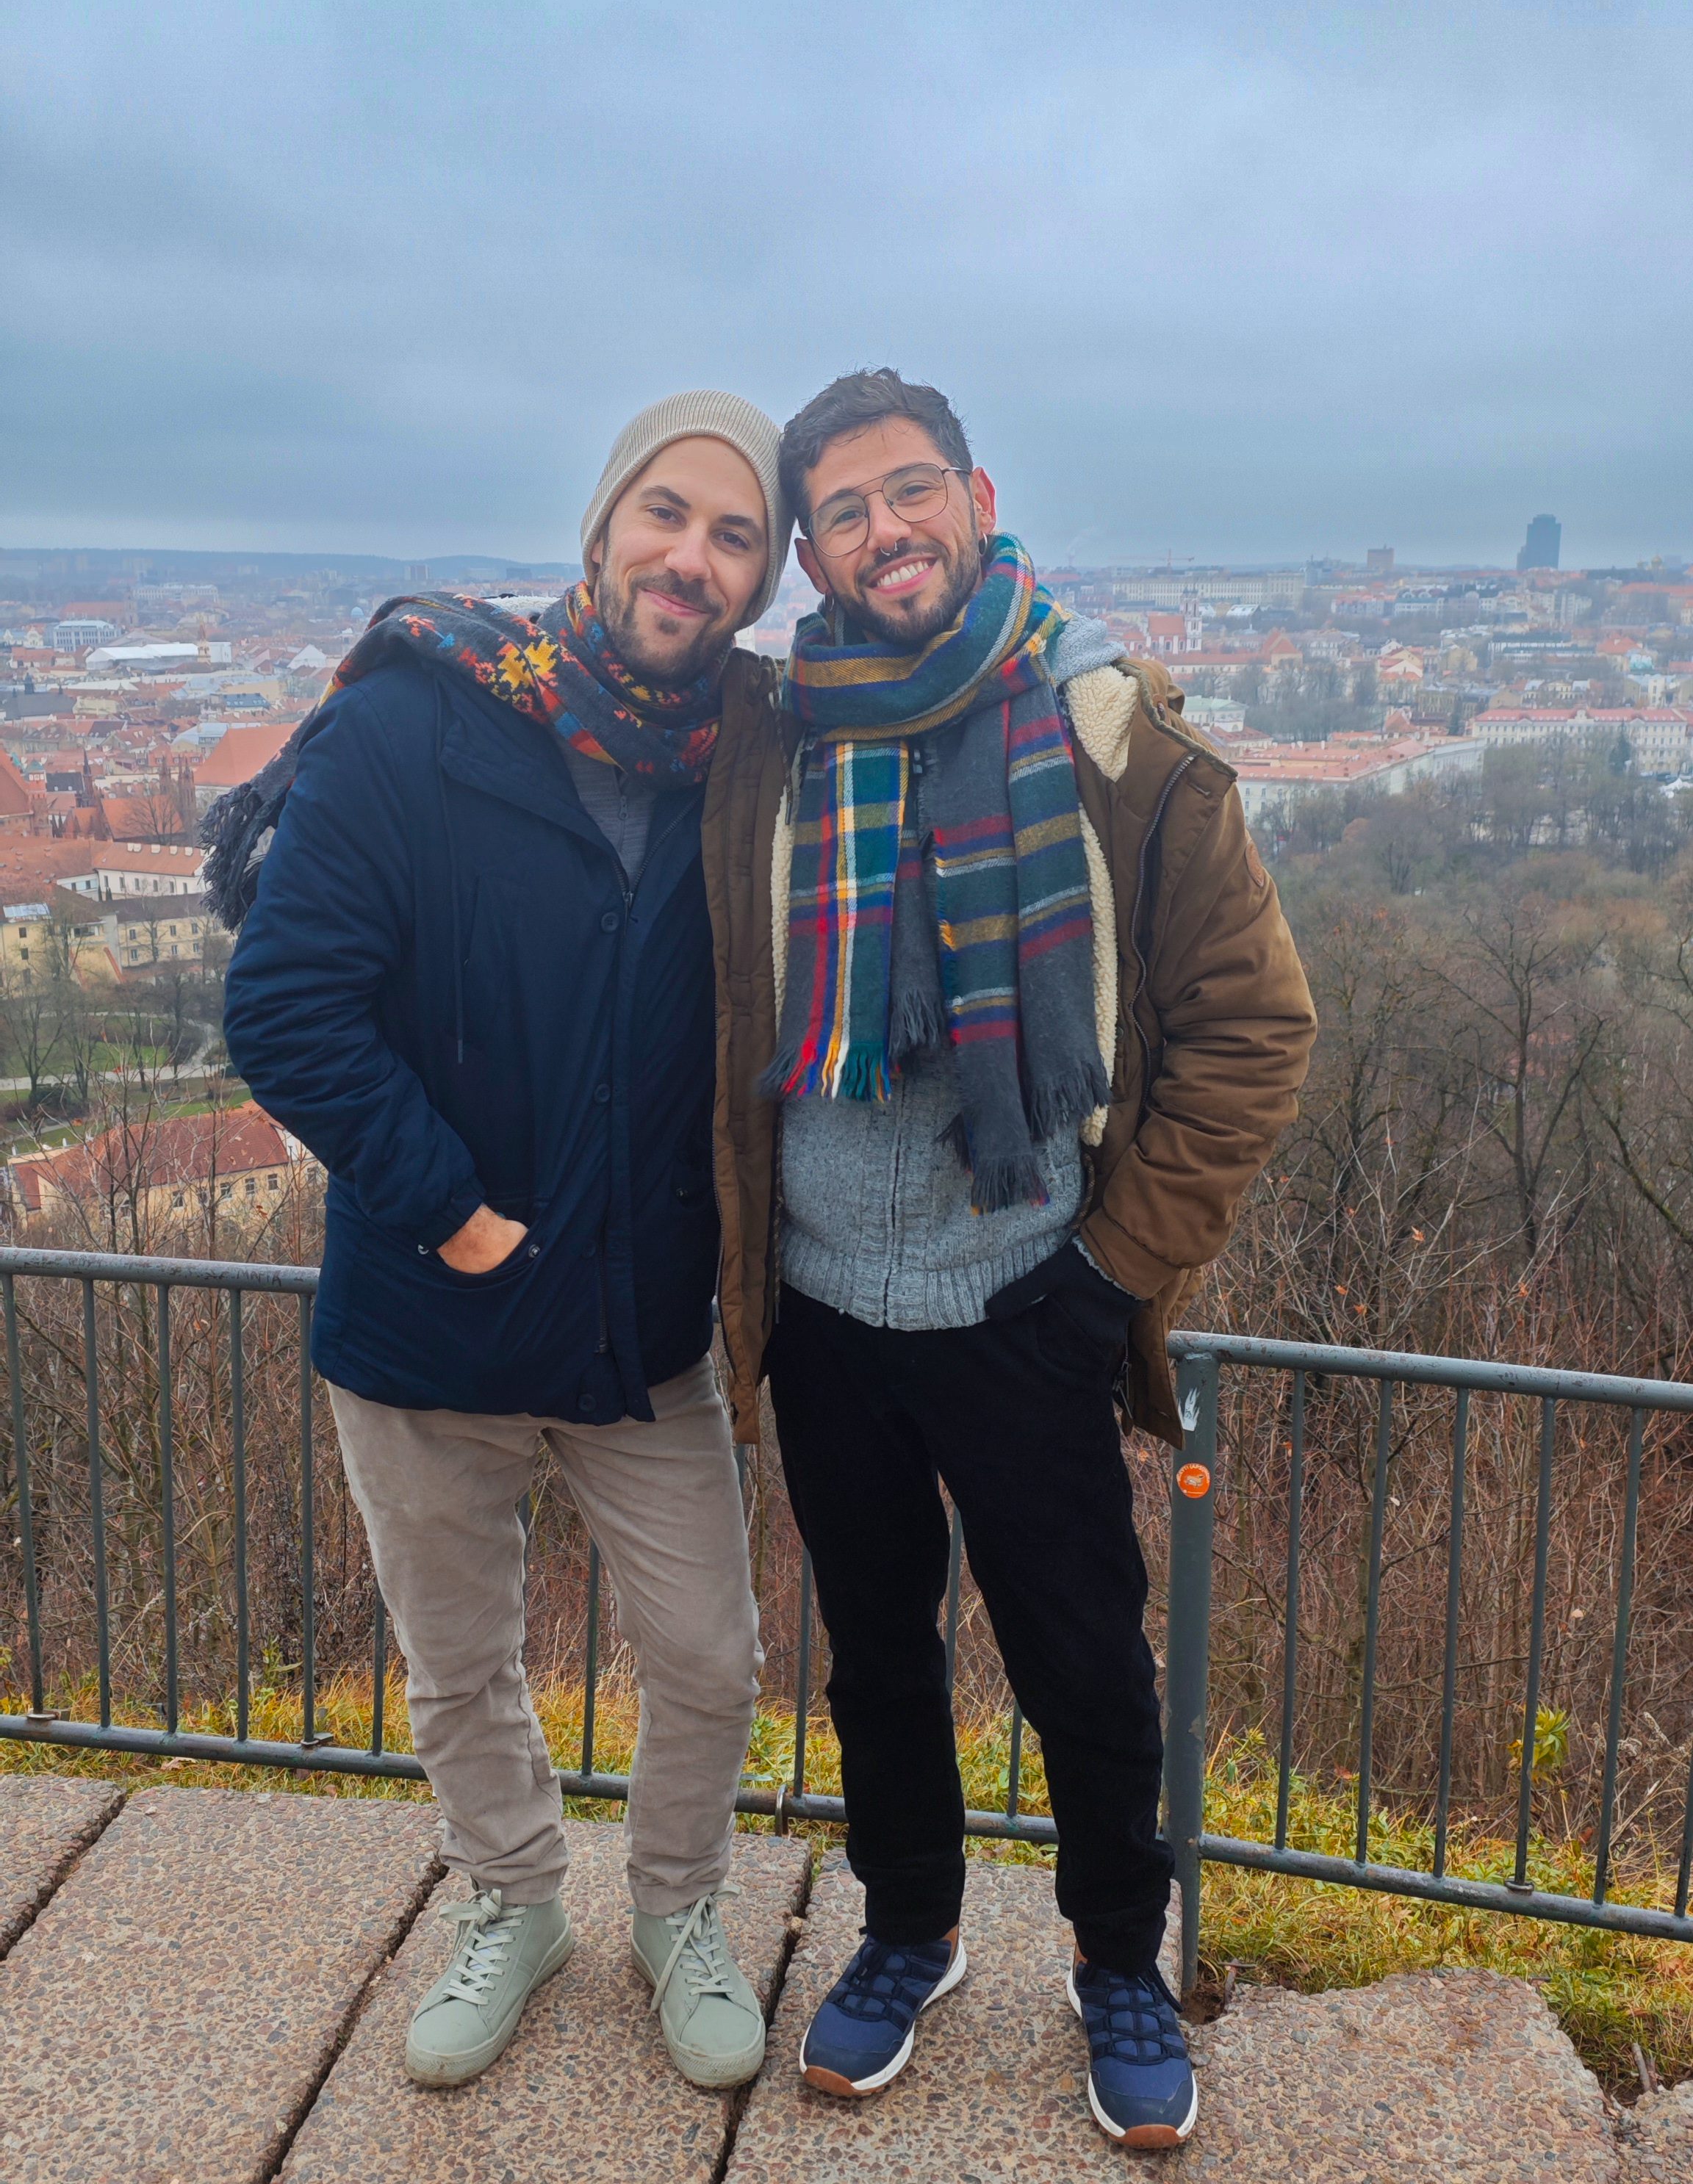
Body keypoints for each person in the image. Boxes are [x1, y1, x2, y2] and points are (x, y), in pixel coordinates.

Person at [700, 369, 1316, 2149]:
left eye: (910, 493)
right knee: (877, 1651)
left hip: (1030, 1297)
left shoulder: (1116, 743)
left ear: (973, 498)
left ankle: (1117, 1958)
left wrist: (1112, 1277)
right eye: (843, 511)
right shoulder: (778, 740)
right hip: (822, 1306)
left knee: (1082, 1657)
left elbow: (1252, 1034)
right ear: (809, 551)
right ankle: (909, 1930)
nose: (881, 531)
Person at [219, 392, 791, 2092]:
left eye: (733, 534)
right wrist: (457, 1216)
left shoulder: (753, 760)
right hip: (428, 1315)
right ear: (606, 524)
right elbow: (288, 1007)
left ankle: (678, 1910)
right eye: (667, 513)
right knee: (459, 1664)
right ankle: (514, 1903)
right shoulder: (422, 724)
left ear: (757, 581)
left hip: (640, 1325)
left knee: (707, 1650)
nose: (691, 556)